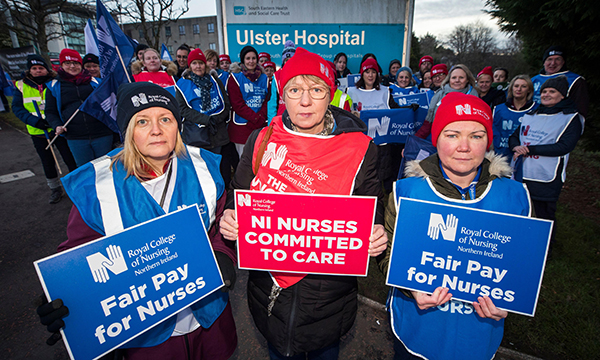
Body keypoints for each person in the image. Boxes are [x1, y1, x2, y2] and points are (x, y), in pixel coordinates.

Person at [37, 82, 238, 360]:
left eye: (165, 119)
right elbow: (78, 259)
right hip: (147, 340)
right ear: (128, 130)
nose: (156, 130)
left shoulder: (206, 167)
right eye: (142, 121)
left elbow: (218, 230)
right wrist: (66, 300)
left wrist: (223, 253)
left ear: (177, 125)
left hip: (209, 324)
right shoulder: (97, 186)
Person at [219, 47, 387, 360]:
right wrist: (231, 215)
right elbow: (239, 192)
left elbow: (370, 212)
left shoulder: (361, 150)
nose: (305, 101)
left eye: (317, 90)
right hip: (269, 292)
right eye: (295, 90)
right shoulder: (262, 139)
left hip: (328, 298)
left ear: (331, 94)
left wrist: (375, 234)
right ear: (283, 94)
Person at [380, 92, 533, 360]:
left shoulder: (514, 196)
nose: (464, 146)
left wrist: (511, 299)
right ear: (436, 139)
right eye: (452, 135)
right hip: (416, 328)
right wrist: (409, 288)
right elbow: (387, 253)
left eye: (476, 135)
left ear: (488, 141)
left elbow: (522, 265)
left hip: (477, 334)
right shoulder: (407, 191)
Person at [510, 75, 583, 245]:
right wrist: (516, 147)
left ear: (562, 95)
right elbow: (514, 136)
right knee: (522, 208)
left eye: (552, 91)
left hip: (547, 177)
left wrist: (529, 149)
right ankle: (521, 242)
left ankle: (544, 248)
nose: (546, 94)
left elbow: (564, 146)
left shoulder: (571, 118)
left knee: (544, 215)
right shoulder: (532, 114)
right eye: (544, 91)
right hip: (523, 172)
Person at [12, 54, 77, 203]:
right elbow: (17, 108)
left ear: (46, 69)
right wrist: (34, 121)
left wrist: (54, 121)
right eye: (34, 68)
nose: (38, 71)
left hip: (58, 129)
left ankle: (76, 186)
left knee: (69, 158)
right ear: (29, 70)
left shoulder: (55, 82)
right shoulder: (21, 85)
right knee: (47, 162)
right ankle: (54, 188)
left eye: (41, 68)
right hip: (38, 131)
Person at [45, 48, 115, 167]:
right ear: (62, 65)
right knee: (85, 169)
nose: (72, 66)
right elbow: (50, 111)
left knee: (106, 167)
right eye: (68, 63)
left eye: (76, 63)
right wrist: (56, 125)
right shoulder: (54, 86)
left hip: (102, 133)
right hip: (75, 136)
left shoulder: (97, 83)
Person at [347, 58, 402, 193]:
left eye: (373, 72)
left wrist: (408, 109)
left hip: (381, 145)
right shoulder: (352, 92)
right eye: (367, 72)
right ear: (362, 74)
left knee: (381, 181)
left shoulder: (385, 92)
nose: (370, 75)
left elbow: (396, 112)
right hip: (361, 144)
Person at [176, 48, 231, 153]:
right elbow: (182, 109)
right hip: (195, 135)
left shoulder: (215, 80)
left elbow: (226, 104)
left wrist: (215, 119)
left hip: (216, 133)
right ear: (190, 65)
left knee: (216, 165)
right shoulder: (183, 84)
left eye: (201, 63)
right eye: (194, 63)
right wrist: (206, 120)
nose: (198, 66)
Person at [415, 64, 479, 140]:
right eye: (454, 77)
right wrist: (414, 141)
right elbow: (428, 124)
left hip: (464, 141)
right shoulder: (439, 94)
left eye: (461, 77)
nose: (457, 80)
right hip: (441, 140)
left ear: (467, 79)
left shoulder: (474, 96)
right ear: (449, 79)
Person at [227, 45, 269, 158]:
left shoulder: (265, 78)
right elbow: (237, 104)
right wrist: (254, 118)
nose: (251, 61)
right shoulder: (235, 78)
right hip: (242, 127)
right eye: (248, 58)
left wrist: (259, 117)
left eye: (254, 58)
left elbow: (267, 100)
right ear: (243, 60)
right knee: (245, 162)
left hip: (260, 124)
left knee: (261, 160)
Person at [531, 46, 588, 118]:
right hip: (532, 122)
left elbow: (580, 110)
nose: (553, 63)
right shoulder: (533, 80)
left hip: (559, 122)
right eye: (549, 59)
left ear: (563, 62)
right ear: (544, 62)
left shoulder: (575, 80)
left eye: (558, 59)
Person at [492, 75, 537, 159]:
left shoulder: (536, 109)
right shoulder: (498, 109)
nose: (519, 89)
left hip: (526, 157)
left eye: (523, 86)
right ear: (511, 88)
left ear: (529, 90)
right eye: (516, 86)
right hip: (502, 156)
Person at [268, 41, 296, 123]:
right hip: (281, 119)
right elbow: (272, 104)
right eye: (286, 60)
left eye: (292, 60)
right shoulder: (277, 76)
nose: (288, 63)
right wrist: (271, 124)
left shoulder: (301, 74)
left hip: (297, 117)